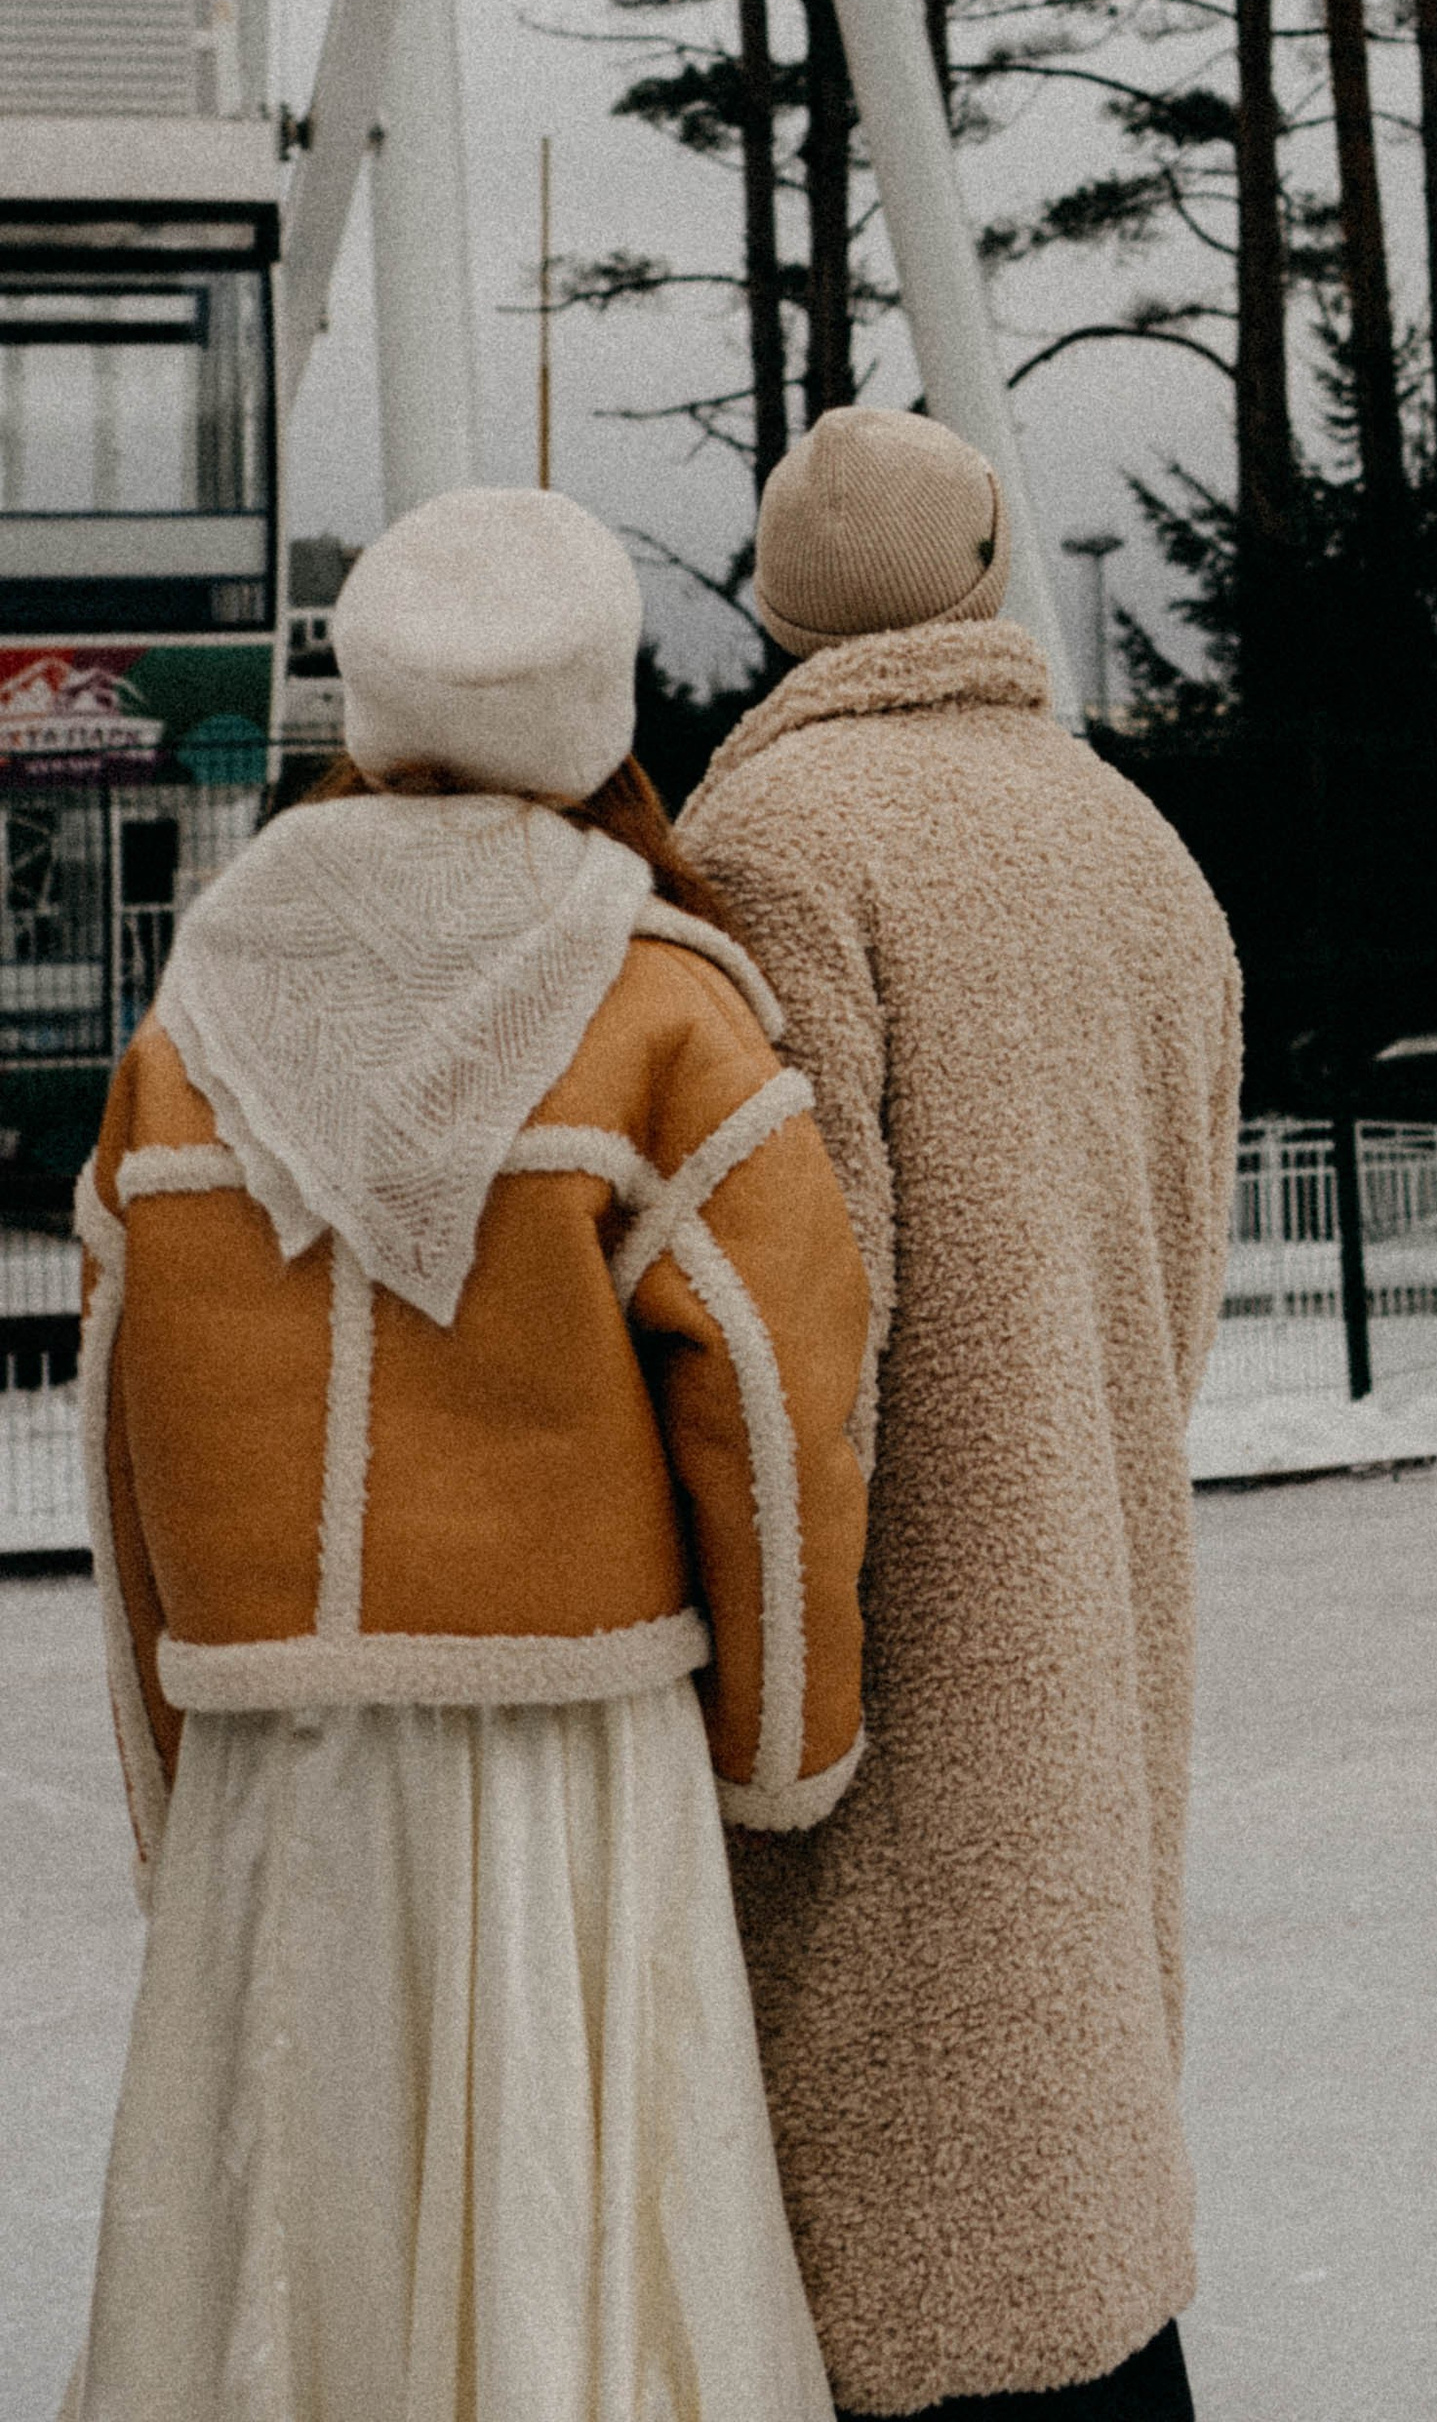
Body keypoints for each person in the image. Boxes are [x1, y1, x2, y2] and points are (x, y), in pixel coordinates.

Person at [67, 484, 871, 2422]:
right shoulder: (664, 1003)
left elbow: (113, 1419)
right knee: (572, 2236)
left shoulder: (198, 1008)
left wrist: (188, 1767)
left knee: (272, 2254)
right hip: (567, 1764)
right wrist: (781, 1749)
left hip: (281, 1762)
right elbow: (779, 1406)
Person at [680, 407, 1241, 2422]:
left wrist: (763, 1705)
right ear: (992, 567)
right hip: (1095, 1572)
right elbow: (1182, 1250)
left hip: (900, 1635)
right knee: (1067, 2158)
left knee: (905, 2222)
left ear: (772, 611)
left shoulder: (772, 850)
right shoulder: (1134, 843)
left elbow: (806, 1324)